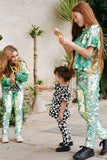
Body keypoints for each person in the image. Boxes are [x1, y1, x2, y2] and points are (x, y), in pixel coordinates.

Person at [54, 1, 107, 160]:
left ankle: (89, 147)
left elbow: (88, 53)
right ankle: (105, 137)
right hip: (81, 77)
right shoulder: (83, 32)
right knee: (83, 111)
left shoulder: (94, 30)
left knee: (90, 113)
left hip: (91, 77)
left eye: (76, 17)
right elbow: (70, 49)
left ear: (84, 14)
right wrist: (61, 38)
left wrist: (71, 44)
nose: (75, 20)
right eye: (74, 18)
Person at [36, 66, 73, 152]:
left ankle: (66, 145)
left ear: (61, 77)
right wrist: (41, 87)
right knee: (64, 126)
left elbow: (64, 103)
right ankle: (69, 140)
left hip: (61, 111)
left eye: (56, 76)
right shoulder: (58, 85)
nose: (55, 78)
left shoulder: (65, 90)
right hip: (58, 110)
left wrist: (61, 113)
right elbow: (49, 87)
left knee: (62, 127)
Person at [0, 45, 29, 143]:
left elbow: (25, 78)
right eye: (13, 56)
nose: (16, 58)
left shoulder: (21, 64)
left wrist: (17, 74)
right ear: (8, 57)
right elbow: (2, 81)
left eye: (16, 55)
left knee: (18, 109)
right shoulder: (3, 66)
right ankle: (4, 134)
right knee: (7, 110)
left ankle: (18, 134)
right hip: (7, 90)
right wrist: (9, 80)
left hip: (18, 89)